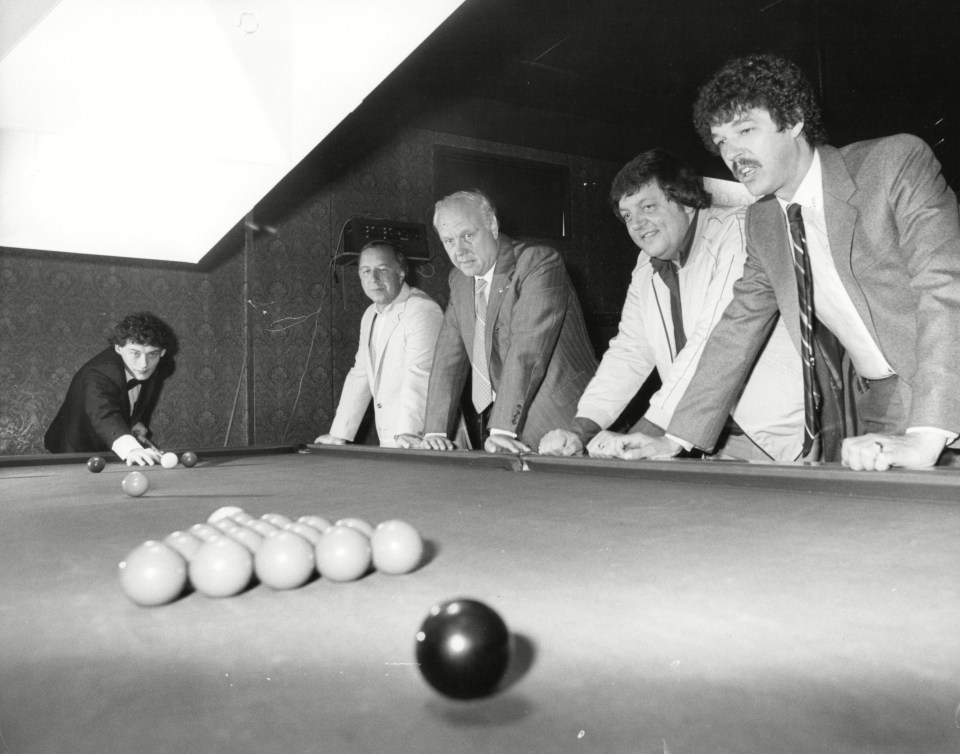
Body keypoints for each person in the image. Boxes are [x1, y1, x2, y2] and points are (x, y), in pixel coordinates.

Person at [621, 53, 960, 470]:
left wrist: (927, 436)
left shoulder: (893, 163)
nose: (733, 153)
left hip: (949, 374)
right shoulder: (764, 221)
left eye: (746, 129)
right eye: (722, 140)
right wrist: (675, 437)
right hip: (885, 397)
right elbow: (736, 329)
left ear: (795, 119)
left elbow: (945, 288)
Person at [538, 149, 804, 461]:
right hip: (708, 439)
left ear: (687, 202)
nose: (637, 224)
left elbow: (712, 342)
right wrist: (582, 428)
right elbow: (630, 351)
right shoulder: (645, 266)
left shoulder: (737, 231)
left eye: (648, 207)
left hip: (779, 438)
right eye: (627, 216)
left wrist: (648, 430)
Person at [397, 190, 597, 453]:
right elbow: (447, 358)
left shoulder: (537, 262)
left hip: (564, 423)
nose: (460, 251)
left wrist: (502, 428)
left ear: (492, 226)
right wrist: (434, 431)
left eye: (467, 235)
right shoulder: (459, 281)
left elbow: (526, 351)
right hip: (506, 432)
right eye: (449, 241)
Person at [315, 242, 442, 448]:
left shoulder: (422, 309)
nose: (373, 279)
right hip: (392, 439)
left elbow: (420, 373)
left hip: (423, 439)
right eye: (366, 271)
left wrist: (409, 434)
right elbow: (361, 374)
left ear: (401, 273)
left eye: (382, 270)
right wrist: (339, 434)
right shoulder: (370, 314)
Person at [45, 312, 177, 465]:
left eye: (152, 354)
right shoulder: (100, 372)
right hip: (73, 448)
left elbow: (138, 397)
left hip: (111, 445)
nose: (144, 364)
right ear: (118, 348)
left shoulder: (159, 365)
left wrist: (135, 421)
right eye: (135, 353)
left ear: (162, 352)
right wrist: (131, 449)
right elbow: (103, 413)